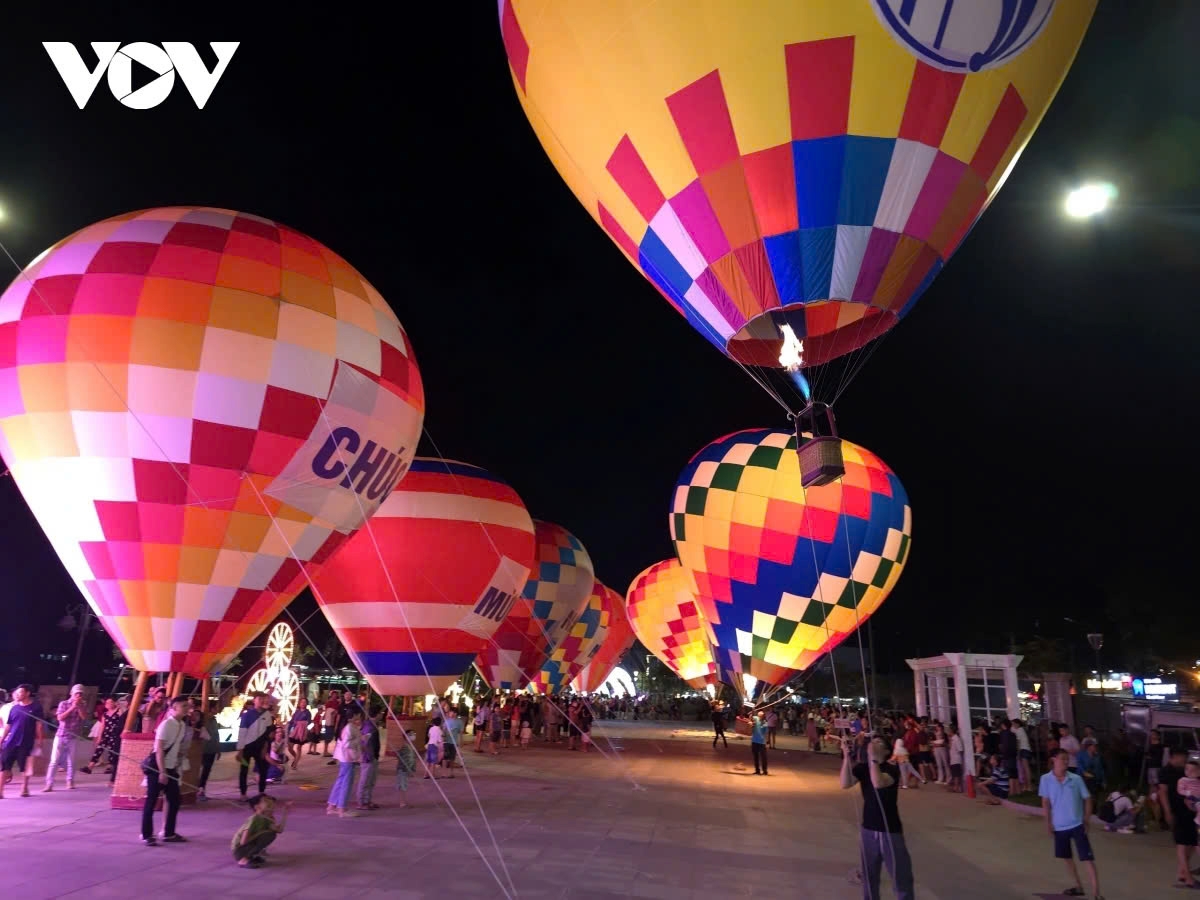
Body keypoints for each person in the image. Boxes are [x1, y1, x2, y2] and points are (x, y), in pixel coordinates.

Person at [840, 736, 914, 900]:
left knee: (900, 875)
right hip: (868, 829)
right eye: (873, 741)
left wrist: (873, 758)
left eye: (879, 742)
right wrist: (846, 756)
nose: (873, 743)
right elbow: (845, 783)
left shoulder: (891, 769)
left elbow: (878, 782)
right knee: (869, 876)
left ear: (887, 751)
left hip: (890, 831)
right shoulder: (863, 768)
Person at [1039, 747, 1103, 900]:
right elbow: (1045, 803)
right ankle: (1078, 886)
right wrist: (1048, 823)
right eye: (1063, 758)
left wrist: (1086, 819)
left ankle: (1096, 894)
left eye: (1067, 759)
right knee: (1067, 858)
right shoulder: (1046, 779)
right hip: (1059, 827)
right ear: (1054, 760)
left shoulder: (1076, 779)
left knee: (1087, 859)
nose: (1066, 762)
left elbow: (1087, 799)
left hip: (1077, 825)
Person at [142, 696, 189, 846]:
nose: (187, 708)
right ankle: (146, 834)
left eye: (187, 706)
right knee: (152, 801)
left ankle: (168, 833)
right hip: (157, 767)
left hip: (171, 768)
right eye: (184, 706)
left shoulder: (182, 725)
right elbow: (159, 750)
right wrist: (162, 772)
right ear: (173, 708)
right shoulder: (166, 725)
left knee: (174, 800)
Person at [1159, 747, 1199, 889]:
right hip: (1177, 812)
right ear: (1175, 756)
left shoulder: (1184, 770)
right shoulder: (1165, 771)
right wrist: (1167, 811)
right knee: (1182, 843)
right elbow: (1162, 792)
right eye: (1183, 757)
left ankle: (1183, 872)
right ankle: (1187, 878)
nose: (1185, 760)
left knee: (1191, 842)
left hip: (1190, 812)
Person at [0, 684, 45, 798]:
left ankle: (24, 788)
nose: (17, 694)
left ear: (27, 693)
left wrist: (40, 740)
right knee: (5, 765)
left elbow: (39, 725)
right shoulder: (14, 708)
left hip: (26, 742)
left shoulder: (36, 708)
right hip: (11, 742)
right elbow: (8, 726)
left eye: (20, 692)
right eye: (17, 692)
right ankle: (0, 791)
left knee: (24, 767)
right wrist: (2, 739)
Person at [43, 684, 87, 792]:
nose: (78, 695)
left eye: (81, 693)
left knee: (72, 761)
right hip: (61, 735)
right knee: (54, 761)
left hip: (74, 736)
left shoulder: (83, 704)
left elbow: (84, 717)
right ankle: (49, 784)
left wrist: (79, 706)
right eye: (77, 693)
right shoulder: (64, 703)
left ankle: (70, 781)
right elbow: (60, 717)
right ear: (71, 694)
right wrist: (72, 707)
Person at [231, 794, 292, 869]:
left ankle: (251, 856)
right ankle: (242, 860)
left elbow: (279, 830)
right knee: (266, 834)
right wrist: (261, 833)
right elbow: (243, 842)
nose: (271, 804)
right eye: (266, 802)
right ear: (257, 807)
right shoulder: (254, 819)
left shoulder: (268, 818)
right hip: (239, 850)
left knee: (271, 834)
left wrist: (285, 813)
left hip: (248, 845)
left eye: (271, 803)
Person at [327, 706, 363, 818]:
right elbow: (347, 744)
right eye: (358, 715)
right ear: (354, 716)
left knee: (341, 781)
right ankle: (342, 808)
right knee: (346, 782)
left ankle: (332, 806)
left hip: (345, 758)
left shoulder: (349, 726)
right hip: (347, 758)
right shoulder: (349, 728)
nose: (360, 717)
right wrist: (361, 739)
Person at [236, 693, 271, 798]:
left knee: (263, 768)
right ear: (254, 700)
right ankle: (243, 793)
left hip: (260, 747)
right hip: (246, 748)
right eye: (259, 699)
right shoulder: (246, 715)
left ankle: (261, 791)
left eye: (263, 699)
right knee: (244, 769)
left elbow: (268, 734)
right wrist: (240, 749)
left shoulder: (267, 715)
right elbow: (242, 732)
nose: (261, 701)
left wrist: (265, 747)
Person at [83, 696, 123, 782]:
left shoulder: (118, 712)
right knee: (98, 749)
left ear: (114, 703)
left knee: (111, 751)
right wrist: (99, 737)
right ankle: (90, 767)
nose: (107, 704)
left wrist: (119, 708)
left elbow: (122, 720)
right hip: (106, 734)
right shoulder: (105, 714)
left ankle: (110, 767)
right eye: (106, 703)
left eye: (110, 702)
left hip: (115, 734)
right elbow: (102, 726)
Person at [358, 706, 382, 809]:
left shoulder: (372, 725)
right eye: (381, 712)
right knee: (365, 780)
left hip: (373, 757)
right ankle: (362, 802)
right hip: (368, 757)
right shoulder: (369, 727)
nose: (382, 714)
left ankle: (368, 800)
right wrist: (369, 756)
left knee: (371, 780)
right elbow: (365, 743)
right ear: (377, 714)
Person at [196, 709, 221, 801]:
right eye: (212, 710)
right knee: (200, 771)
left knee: (206, 770)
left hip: (211, 750)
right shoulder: (200, 720)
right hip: (201, 750)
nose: (214, 712)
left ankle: (202, 789)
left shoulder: (214, 720)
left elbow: (216, 735)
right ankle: (198, 790)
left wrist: (218, 749)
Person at [287, 698, 312, 769]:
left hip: (302, 732)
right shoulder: (296, 712)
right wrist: (288, 725)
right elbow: (292, 720)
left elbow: (310, 723)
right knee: (289, 747)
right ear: (299, 703)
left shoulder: (308, 713)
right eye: (302, 702)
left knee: (299, 748)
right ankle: (296, 757)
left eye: (305, 702)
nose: (303, 703)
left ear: (306, 704)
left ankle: (295, 763)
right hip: (294, 731)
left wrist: (307, 732)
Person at [396, 729, 418, 808]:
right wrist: (408, 769)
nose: (413, 735)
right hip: (403, 770)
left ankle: (403, 802)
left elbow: (412, 759)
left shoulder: (409, 746)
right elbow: (404, 759)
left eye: (413, 733)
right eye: (411, 734)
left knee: (404, 785)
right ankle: (402, 803)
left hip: (405, 770)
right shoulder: (405, 747)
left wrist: (412, 769)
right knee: (402, 786)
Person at [1012, 718, 1033, 793]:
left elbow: (1018, 743)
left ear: (1017, 724)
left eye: (1014, 724)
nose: (1013, 725)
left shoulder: (1019, 730)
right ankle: (1027, 786)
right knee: (1025, 768)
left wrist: (1017, 753)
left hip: (1023, 750)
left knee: (1026, 768)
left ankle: (1029, 786)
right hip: (1025, 749)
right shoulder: (1022, 730)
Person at [442, 708, 462, 776]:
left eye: (451, 712)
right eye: (450, 712)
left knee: (452, 758)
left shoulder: (459, 722)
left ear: (455, 713)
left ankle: (451, 772)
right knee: (445, 757)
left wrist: (460, 742)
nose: (450, 713)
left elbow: (461, 733)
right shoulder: (446, 721)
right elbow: (443, 730)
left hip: (454, 742)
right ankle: (444, 773)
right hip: (446, 741)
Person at [947, 724, 964, 793]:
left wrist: (961, 760)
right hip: (953, 759)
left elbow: (960, 750)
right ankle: (956, 787)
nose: (948, 731)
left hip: (956, 759)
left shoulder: (956, 739)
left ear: (951, 730)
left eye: (949, 730)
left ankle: (956, 788)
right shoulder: (952, 738)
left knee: (956, 774)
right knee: (954, 774)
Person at [750, 711, 768, 775]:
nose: (760, 717)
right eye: (759, 715)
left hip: (762, 742)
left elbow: (766, 733)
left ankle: (765, 770)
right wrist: (752, 711)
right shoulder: (755, 718)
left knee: (763, 757)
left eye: (761, 716)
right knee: (755, 757)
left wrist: (767, 742)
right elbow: (750, 716)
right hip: (754, 740)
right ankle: (757, 770)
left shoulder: (765, 723)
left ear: (763, 716)